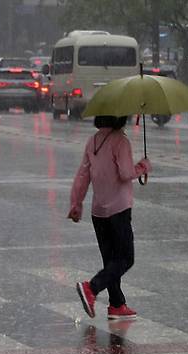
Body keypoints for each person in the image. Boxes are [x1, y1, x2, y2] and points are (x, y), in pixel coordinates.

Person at [69, 116, 151, 320]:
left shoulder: (93, 140)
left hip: (99, 211)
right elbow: (125, 173)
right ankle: (91, 288)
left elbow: (82, 175)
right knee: (125, 259)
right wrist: (142, 167)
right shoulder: (120, 141)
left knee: (111, 260)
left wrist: (76, 203)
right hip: (119, 208)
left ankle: (116, 304)